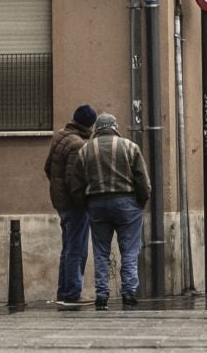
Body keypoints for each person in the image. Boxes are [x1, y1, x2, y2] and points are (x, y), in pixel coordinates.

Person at [65, 112, 150, 310]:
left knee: (101, 251)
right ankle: (129, 292)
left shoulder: (85, 150)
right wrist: (141, 202)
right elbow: (142, 181)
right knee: (129, 250)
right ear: (114, 127)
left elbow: (76, 185)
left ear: (97, 129)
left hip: (97, 204)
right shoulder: (130, 147)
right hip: (127, 203)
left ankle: (102, 294)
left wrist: (85, 204)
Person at [44, 104, 96, 307]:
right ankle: (73, 293)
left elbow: (48, 168)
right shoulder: (78, 145)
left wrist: (58, 192)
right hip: (75, 205)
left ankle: (63, 291)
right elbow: (74, 181)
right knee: (77, 248)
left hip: (61, 202)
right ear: (89, 125)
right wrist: (83, 203)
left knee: (67, 248)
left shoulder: (59, 137)